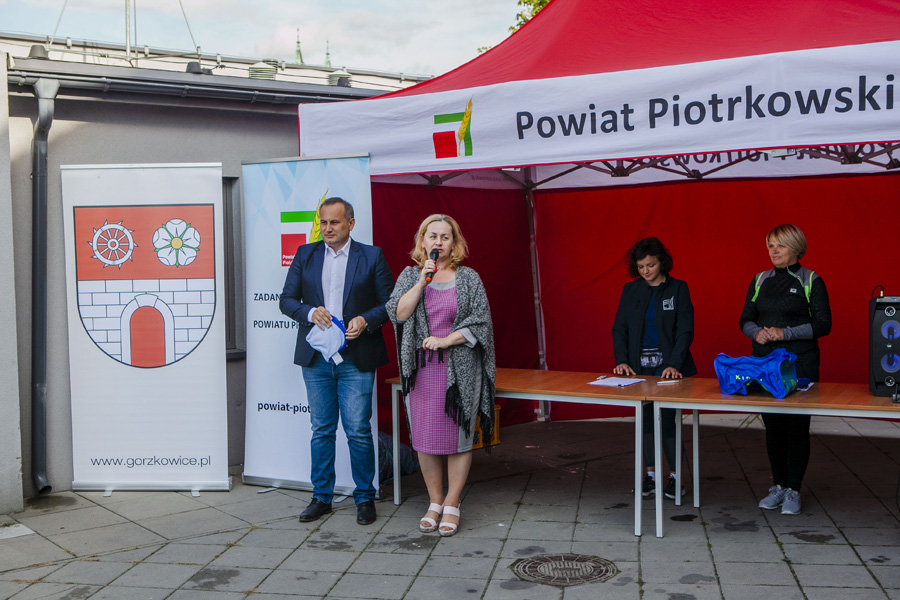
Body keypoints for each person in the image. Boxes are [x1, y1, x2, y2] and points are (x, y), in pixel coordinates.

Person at [280, 197, 393, 526]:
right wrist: (309, 312)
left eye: (335, 222)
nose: (327, 228)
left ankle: (365, 497)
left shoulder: (371, 256)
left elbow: (390, 303)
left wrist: (366, 320)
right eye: (323, 222)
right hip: (316, 357)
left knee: (357, 430)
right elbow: (286, 300)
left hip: (357, 357)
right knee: (322, 429)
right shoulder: (306, 254)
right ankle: (321, 497)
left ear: (350, 224)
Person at [386, 214, 495, 537]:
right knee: (425, 438)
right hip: (421, 370)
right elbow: (398, 313)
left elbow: (481, 323)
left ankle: (452, 501)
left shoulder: (469, 278)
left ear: (454, 243)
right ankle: (434, 501)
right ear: (422, 241)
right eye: (432, 236)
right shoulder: (410, 275)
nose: (438, 242)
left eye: (445, 237)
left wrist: (447, 340)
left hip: (460, 369)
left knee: (458, 438)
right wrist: (423, 281)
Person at [740, 224, 831, 515]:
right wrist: (756, 332)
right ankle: (778, 486)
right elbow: (745, 319)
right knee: (773, 426)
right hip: (765, 365)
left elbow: (823, 325)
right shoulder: (760, 279)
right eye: (770, 245)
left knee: (796, 427)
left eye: (780, 245)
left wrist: (785, 333)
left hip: (800, 364)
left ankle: (794, 490)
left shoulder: (811, 280)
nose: (774, 251)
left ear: (796, 248)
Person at [611, 237, 696, 500]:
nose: (646, 271)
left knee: (668, 421)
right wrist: (622, 360)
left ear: (662, 262)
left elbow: (685, 330)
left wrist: (674, 364)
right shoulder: (630, 290)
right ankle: (650, 476)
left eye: (651, 265)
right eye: (640, 267)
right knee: (645, 420)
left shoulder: (678, 288)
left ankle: (676, 479)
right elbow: (619, 329)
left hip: (669, 369)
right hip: (637, 369)